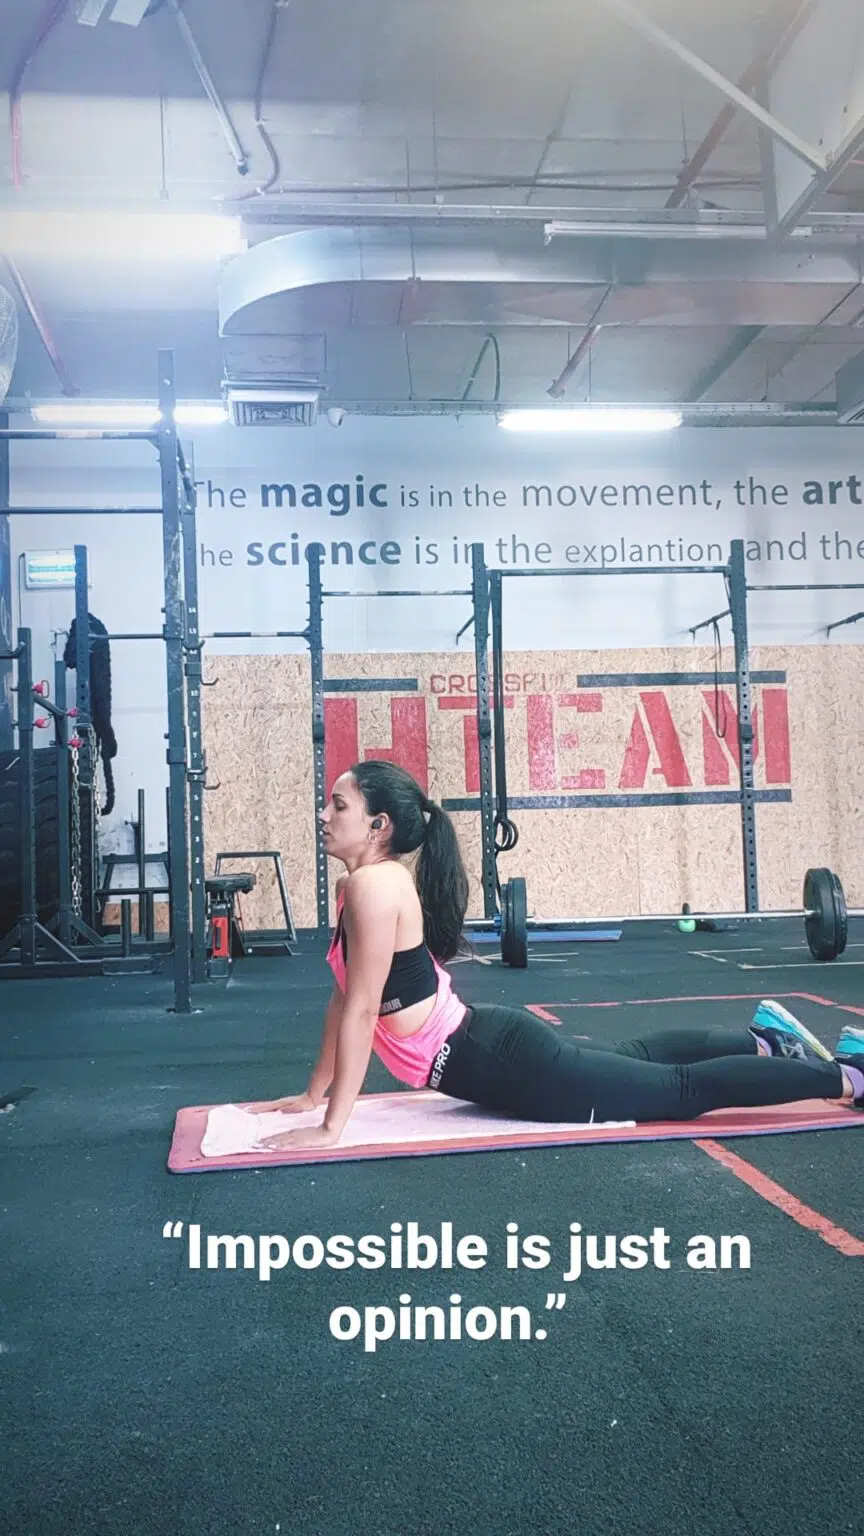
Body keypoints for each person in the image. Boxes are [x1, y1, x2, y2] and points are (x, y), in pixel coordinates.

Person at [258, 762, 864, 1152]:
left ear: (379, 825)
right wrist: (314, 1094)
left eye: (338, 805)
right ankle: (762, 1042)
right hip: (489, 1048)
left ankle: (847, 1077)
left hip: (499, 1059)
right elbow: (344, 1000)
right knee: (637, 1058)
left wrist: (331, 1128)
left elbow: (364, 1011)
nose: (324, 815)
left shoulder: (373, 886)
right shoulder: (359, 886)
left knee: (679, 1091)